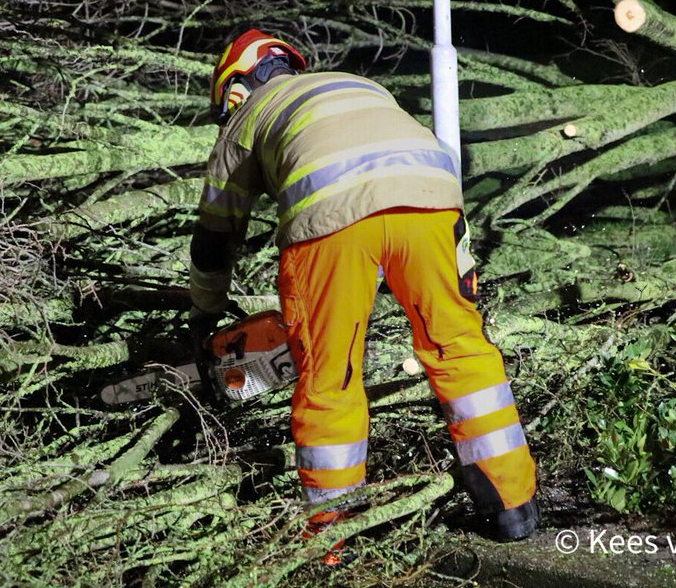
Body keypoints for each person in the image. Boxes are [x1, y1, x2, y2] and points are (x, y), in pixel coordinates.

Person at [187, 29, 539, 543]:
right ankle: (513, 508)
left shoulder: (244, 119)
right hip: (434, 197)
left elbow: (216, 235)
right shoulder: (357, 84)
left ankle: (334, 534)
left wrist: (204, 313)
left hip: (331, 217)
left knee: (331, 376)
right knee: (460, 345)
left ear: (234, 89)